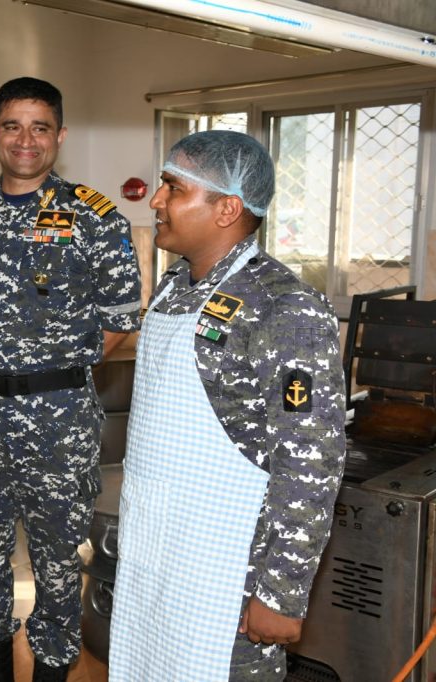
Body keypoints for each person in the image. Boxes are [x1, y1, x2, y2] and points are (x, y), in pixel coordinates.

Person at [108, 130, 346, 681]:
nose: (156, 200)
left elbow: (311, 463)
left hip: (228, 578)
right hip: (159, 554)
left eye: (173, 187)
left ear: (227, 209)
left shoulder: (284, 308)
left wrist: (281, 593)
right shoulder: (176, 285)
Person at [0, 77, 142, 682]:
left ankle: (52, 667)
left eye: (40, 127)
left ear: (60, 135)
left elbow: (118, 322)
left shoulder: (93, 216)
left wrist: (44, 367)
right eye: (13, 126)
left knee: (56, 561)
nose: (26, 140)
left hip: (57, 417)